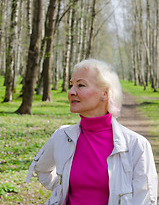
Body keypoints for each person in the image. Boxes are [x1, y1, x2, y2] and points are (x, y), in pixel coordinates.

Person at [26, 59, 158, 205]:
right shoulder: (62, 136)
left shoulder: (136, 145)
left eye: (81, 85)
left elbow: (144, 200)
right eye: (71, 85)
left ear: (105, 93)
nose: (71, 92)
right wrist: (63, 186)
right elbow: (42, 170)